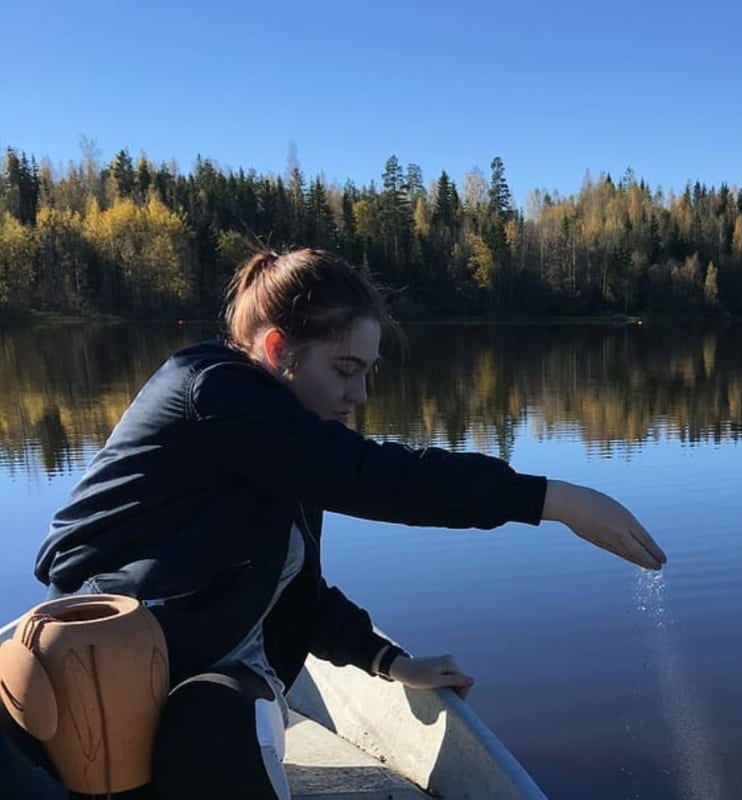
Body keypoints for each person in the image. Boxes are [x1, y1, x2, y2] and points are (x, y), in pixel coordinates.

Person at [11, 247, 666, 800]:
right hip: (99, 667)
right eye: (345, 370)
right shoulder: (214, 391)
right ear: (277, 349)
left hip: (211, 677)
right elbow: (387, 478)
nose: (359, 396)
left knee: (212, 724)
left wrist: (389, 661)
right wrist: (554, 500)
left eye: (368, 374)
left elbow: (289, 589)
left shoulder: (287, 439)